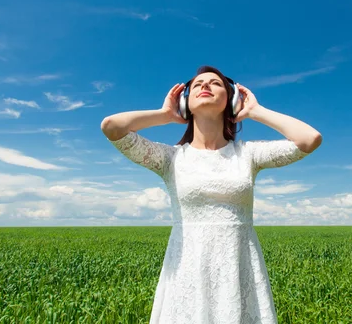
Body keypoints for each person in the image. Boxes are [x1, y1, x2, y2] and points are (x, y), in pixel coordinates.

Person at [101, 65, 322, 323]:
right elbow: (111, 127)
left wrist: (256, 112)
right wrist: (165, 114)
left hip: (238, 270)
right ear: (186, 103)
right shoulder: (170, 158)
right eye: (197, 84)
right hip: (187, 273)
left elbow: (310, 139)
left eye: (215, 83)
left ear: (231, 101)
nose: (205, 86)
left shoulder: (248, 154)